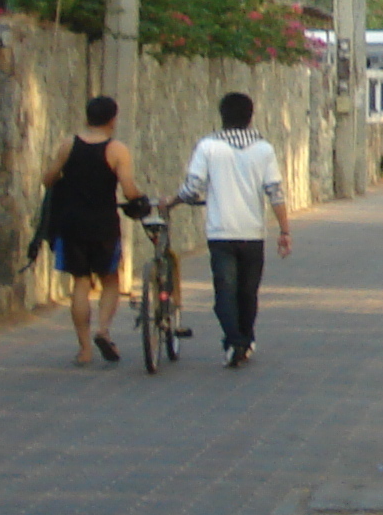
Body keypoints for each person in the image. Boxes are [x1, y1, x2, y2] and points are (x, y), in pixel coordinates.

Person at [175, 91, 292, 368]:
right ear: (250, 117)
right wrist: (285, 231)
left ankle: (234, 340)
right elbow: (275, 192)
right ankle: (244, 339)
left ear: (222, 116)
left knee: (224, 293)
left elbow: (192, 187)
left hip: (220, 233)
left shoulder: (208, 147)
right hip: (253, 233)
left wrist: (175, 200)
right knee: (248, 292)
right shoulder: (264, 149)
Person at [40, 95, 147, 365]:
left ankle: (84, 348)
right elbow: (128, 188)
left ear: (87, 117)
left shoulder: (69, 144)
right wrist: (141, 201)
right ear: (113, 119)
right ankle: (103, 330)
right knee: (110, 279)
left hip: (71, 222)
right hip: (103, 224)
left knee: (80, 282)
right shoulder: (116, 150)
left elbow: (49, 178)